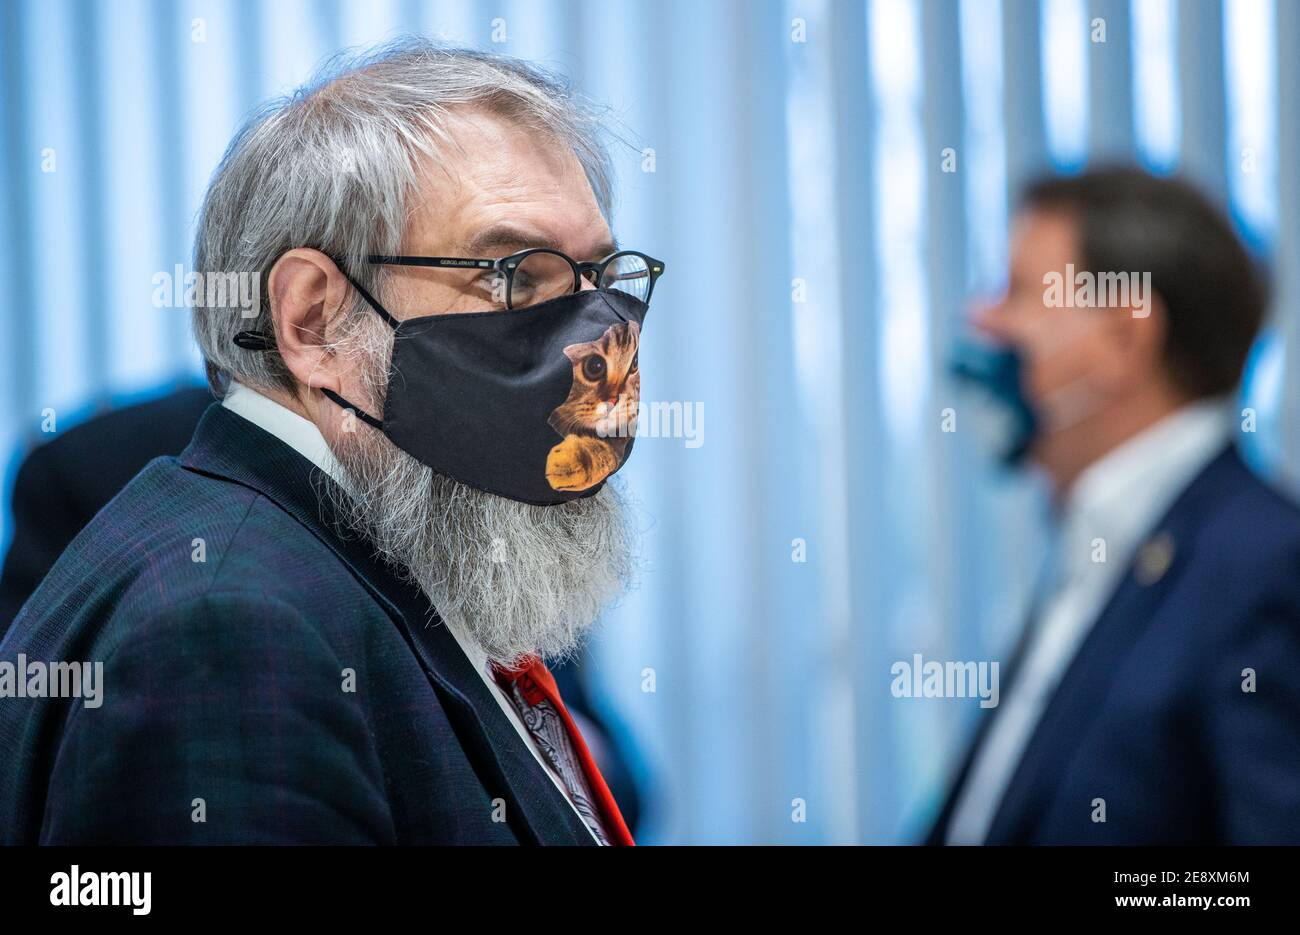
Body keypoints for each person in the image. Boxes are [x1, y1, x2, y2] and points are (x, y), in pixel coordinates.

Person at [0, 39, 662, 845]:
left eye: (601, 276)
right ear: (313, 320)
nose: (593, 336)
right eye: (516, 273)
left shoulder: (396, 552)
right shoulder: (228, 627)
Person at [932, 167, 1300, 844]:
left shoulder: (1262, 564)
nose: (980, 318)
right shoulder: (1101, 546)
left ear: (1126, 340)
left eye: (1017, 291)